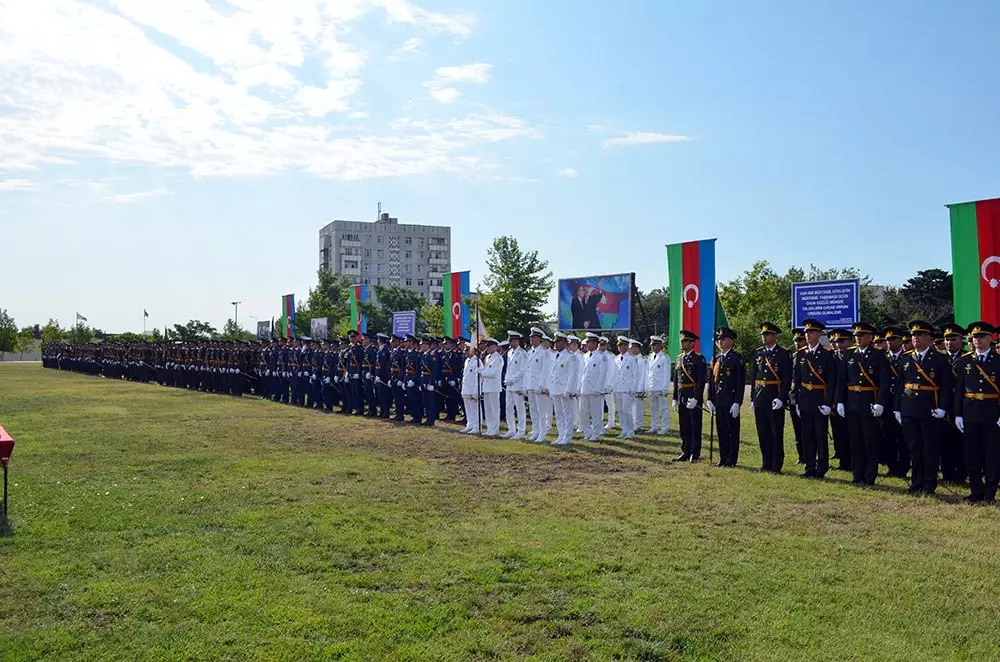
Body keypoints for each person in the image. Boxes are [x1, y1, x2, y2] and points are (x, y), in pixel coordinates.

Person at [893, 320, 954, 496]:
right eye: (913, 335)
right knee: (914, 447)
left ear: (929, 338)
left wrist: (943, 408)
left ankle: (929, 484)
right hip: (909, 407)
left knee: (930, 447)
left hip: (930, 408)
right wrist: (897, 408)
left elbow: (946, 387)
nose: (916, 338)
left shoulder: (940, 358)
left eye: (920, 335)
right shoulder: (907, 358)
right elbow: (899, 386)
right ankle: (916, 482)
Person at [838, 322, 891, 486]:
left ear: (870, 337)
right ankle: (857, 474)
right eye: (856, 336)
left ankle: (870, 476)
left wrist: (880, 403)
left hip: (869, 403)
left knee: (870, 442)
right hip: (852, 403)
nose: (858, 338)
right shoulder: (849, 355)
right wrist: (839, 401)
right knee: (855, 442)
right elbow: (842, 380)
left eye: (862, 336)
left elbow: (885, 382)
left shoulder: (878, 355)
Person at [954, 322, 1000, 503]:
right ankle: (975, 491)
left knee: (992, 455)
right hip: (970, 413)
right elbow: (959, 390)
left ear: (990, 338)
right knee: (972, 455)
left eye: (981, 337)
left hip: (992, 414)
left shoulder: (997, 361)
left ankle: (990, 494)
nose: (977, 340)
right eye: (974, 337)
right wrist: (958, 414)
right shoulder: (965, 361)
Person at [794, 319, 838, 479]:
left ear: (819, 334)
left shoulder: (827, 355)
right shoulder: (801, 354)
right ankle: (809, 466)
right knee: (807, 436)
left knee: (820, 436)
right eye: (806, 332)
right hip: (805, 400)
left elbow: (832, 381)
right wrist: (797, 401)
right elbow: (797, 381)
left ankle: (822, 467)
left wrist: (828, 403)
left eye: (811, 332)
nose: (808, 335)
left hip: (820, 400)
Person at [752, 322, 793, 473]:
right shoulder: (759, 353)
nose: (764, 337)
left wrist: (781, 398)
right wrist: (752, 398)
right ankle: (766, 462)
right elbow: (754, 376)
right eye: (763, 334)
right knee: (762, 432)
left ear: (775, 336)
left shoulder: (783, 354)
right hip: (760, 397)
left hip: (774, 397)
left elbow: (787, 379)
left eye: (767, 334)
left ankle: (777, 464)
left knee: (775, 432)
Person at [708, 327, 745, 467]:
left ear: (731, 341)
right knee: (721, 430)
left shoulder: (736, 359)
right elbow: (712, 381)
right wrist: (710, 399)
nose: (720, 342)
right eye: (718, 339)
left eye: (723, 339)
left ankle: (731, 459)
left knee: (732, 432)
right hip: (718, 400)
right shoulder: (716, 358)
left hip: (730, 401)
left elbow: (740, 383)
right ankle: (723, 457)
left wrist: (737, 402)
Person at [672, 329, 706, 461]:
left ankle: (694, 453)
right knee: (684, 425)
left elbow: (701, 381)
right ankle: (685, 451)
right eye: (682, 341)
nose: (682, 343)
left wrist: (696, 398)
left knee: (694, 426)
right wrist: (675, 397)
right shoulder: (679, 358)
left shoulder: (698, 359)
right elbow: (676, 381)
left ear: (692, 343)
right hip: (682, 395)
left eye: (685, 341)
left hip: (692, 395)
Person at [941, 322, 968, 484]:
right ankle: (947, 472)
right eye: (947, 339)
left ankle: (962, 473)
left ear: (961, 340)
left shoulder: (967, 358)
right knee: (944, 440)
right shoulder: (939, 357)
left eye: (953, 339)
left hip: (962, 405)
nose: (949, 342)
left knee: (962, 441)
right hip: (943, 404)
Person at [882, 326, 909, 477]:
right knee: (888, 435)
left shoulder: (908, 357)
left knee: (903, 437)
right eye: (887, 339)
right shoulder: (883, 357)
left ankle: (903, 467)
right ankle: (892, 466)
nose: (890, 342)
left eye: (893, 339)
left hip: (902, 401)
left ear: (900, 340)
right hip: (887, 401)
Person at [546, 332, 580, 446]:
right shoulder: (555, 356)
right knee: (559, 414)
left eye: (559, 342)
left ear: (565, 343)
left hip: (564, 390)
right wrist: (550, 389)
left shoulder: (571, 357)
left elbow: (572, 375)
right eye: (556, 342)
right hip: (555, 389)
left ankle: (567, 436)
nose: (557, 344)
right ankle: (561, 435)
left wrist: (569, 390)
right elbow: (551, 374)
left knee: (567, 414)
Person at [828, 329, 853, 471]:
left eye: (841, 341)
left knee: (853, 433)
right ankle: (844, 462)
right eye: (836, 342)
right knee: (838, 432)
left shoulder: (854, 356)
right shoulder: (832, 357)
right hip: (835, 401)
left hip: (852, 399)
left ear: (850, 341)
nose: (838, 344)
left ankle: (854, 461)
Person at [579, 332, 609, 441]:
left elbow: (602, 374)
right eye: (586, 342)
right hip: (585, 388)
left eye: (589, 342)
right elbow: (582, 373)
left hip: (595, 390)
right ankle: (587, 433)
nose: (587, 344)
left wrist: (599, 389)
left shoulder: (602, 357)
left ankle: (596, 434)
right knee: (582, 412)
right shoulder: (585, 356)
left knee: (596, 413)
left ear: (595, 343)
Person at [503, 331, 528, 439]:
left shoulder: (522, 353)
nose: (510, 343)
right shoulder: (510, 352)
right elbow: (509, 368)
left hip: (518, 384)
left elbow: (523, 370)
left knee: (520, 408)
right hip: (509, 384)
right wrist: (506, 379)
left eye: (512, 340)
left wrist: (512, 380)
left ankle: (521, 431)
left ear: (516, 341)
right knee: (508, 408)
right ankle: (511, 429)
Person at [644, 336, 671, 435]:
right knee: (653, 408)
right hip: (652, 386)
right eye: (652, 345)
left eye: (654, 345)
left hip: (660, 387)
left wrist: (664, 388)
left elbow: (666, 374)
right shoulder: (650, 357)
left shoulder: (664, 357)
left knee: (663, 408)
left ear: (660, 345)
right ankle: (654, 426)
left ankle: (665, 427)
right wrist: (646, 386)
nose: (652, 347)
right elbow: (648, 372)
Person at [613, 336, 639, 440]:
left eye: (621, 345)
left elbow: (636, 375)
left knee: (627, 410)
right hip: (618, 388)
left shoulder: (632, 358)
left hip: (627, 388)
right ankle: (624, 430)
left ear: (626, 346)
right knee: (620, 410)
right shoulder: (617, 358)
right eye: (618, 345)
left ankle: (630, 431)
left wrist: (633, 389)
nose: (619, 347)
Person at [788, 328, 807, 464]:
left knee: (808, 430)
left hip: (806, 396)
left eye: (800, 340)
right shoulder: (794, 357)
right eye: (796, 340)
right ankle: (801, 455)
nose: (797, 343)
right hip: (794, 397)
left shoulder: (808, 355)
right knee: (797, 429)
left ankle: (811, 455)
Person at [479, 338, 503, 436]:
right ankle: (489, 428)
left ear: (494, 347)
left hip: (494, 386)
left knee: (494, 409)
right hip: (487, 386)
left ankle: (495, 429)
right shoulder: (487, 357)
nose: (487, 348)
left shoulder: (498, 358)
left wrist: (482, 372)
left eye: (488, 346)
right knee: (488, 409)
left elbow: (494, 373)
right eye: (486, 346)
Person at [460, 344, 482, 434]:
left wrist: (477, 391)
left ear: (473, 350)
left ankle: (477, 426)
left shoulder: (477, 361)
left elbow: (479, 378)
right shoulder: (467, 361)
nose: (465, 352)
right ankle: (470, 424)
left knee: (475, 409)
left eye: (467, 350)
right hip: (466, 388)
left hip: (473, 388)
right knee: (468, 408)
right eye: (465, 350)